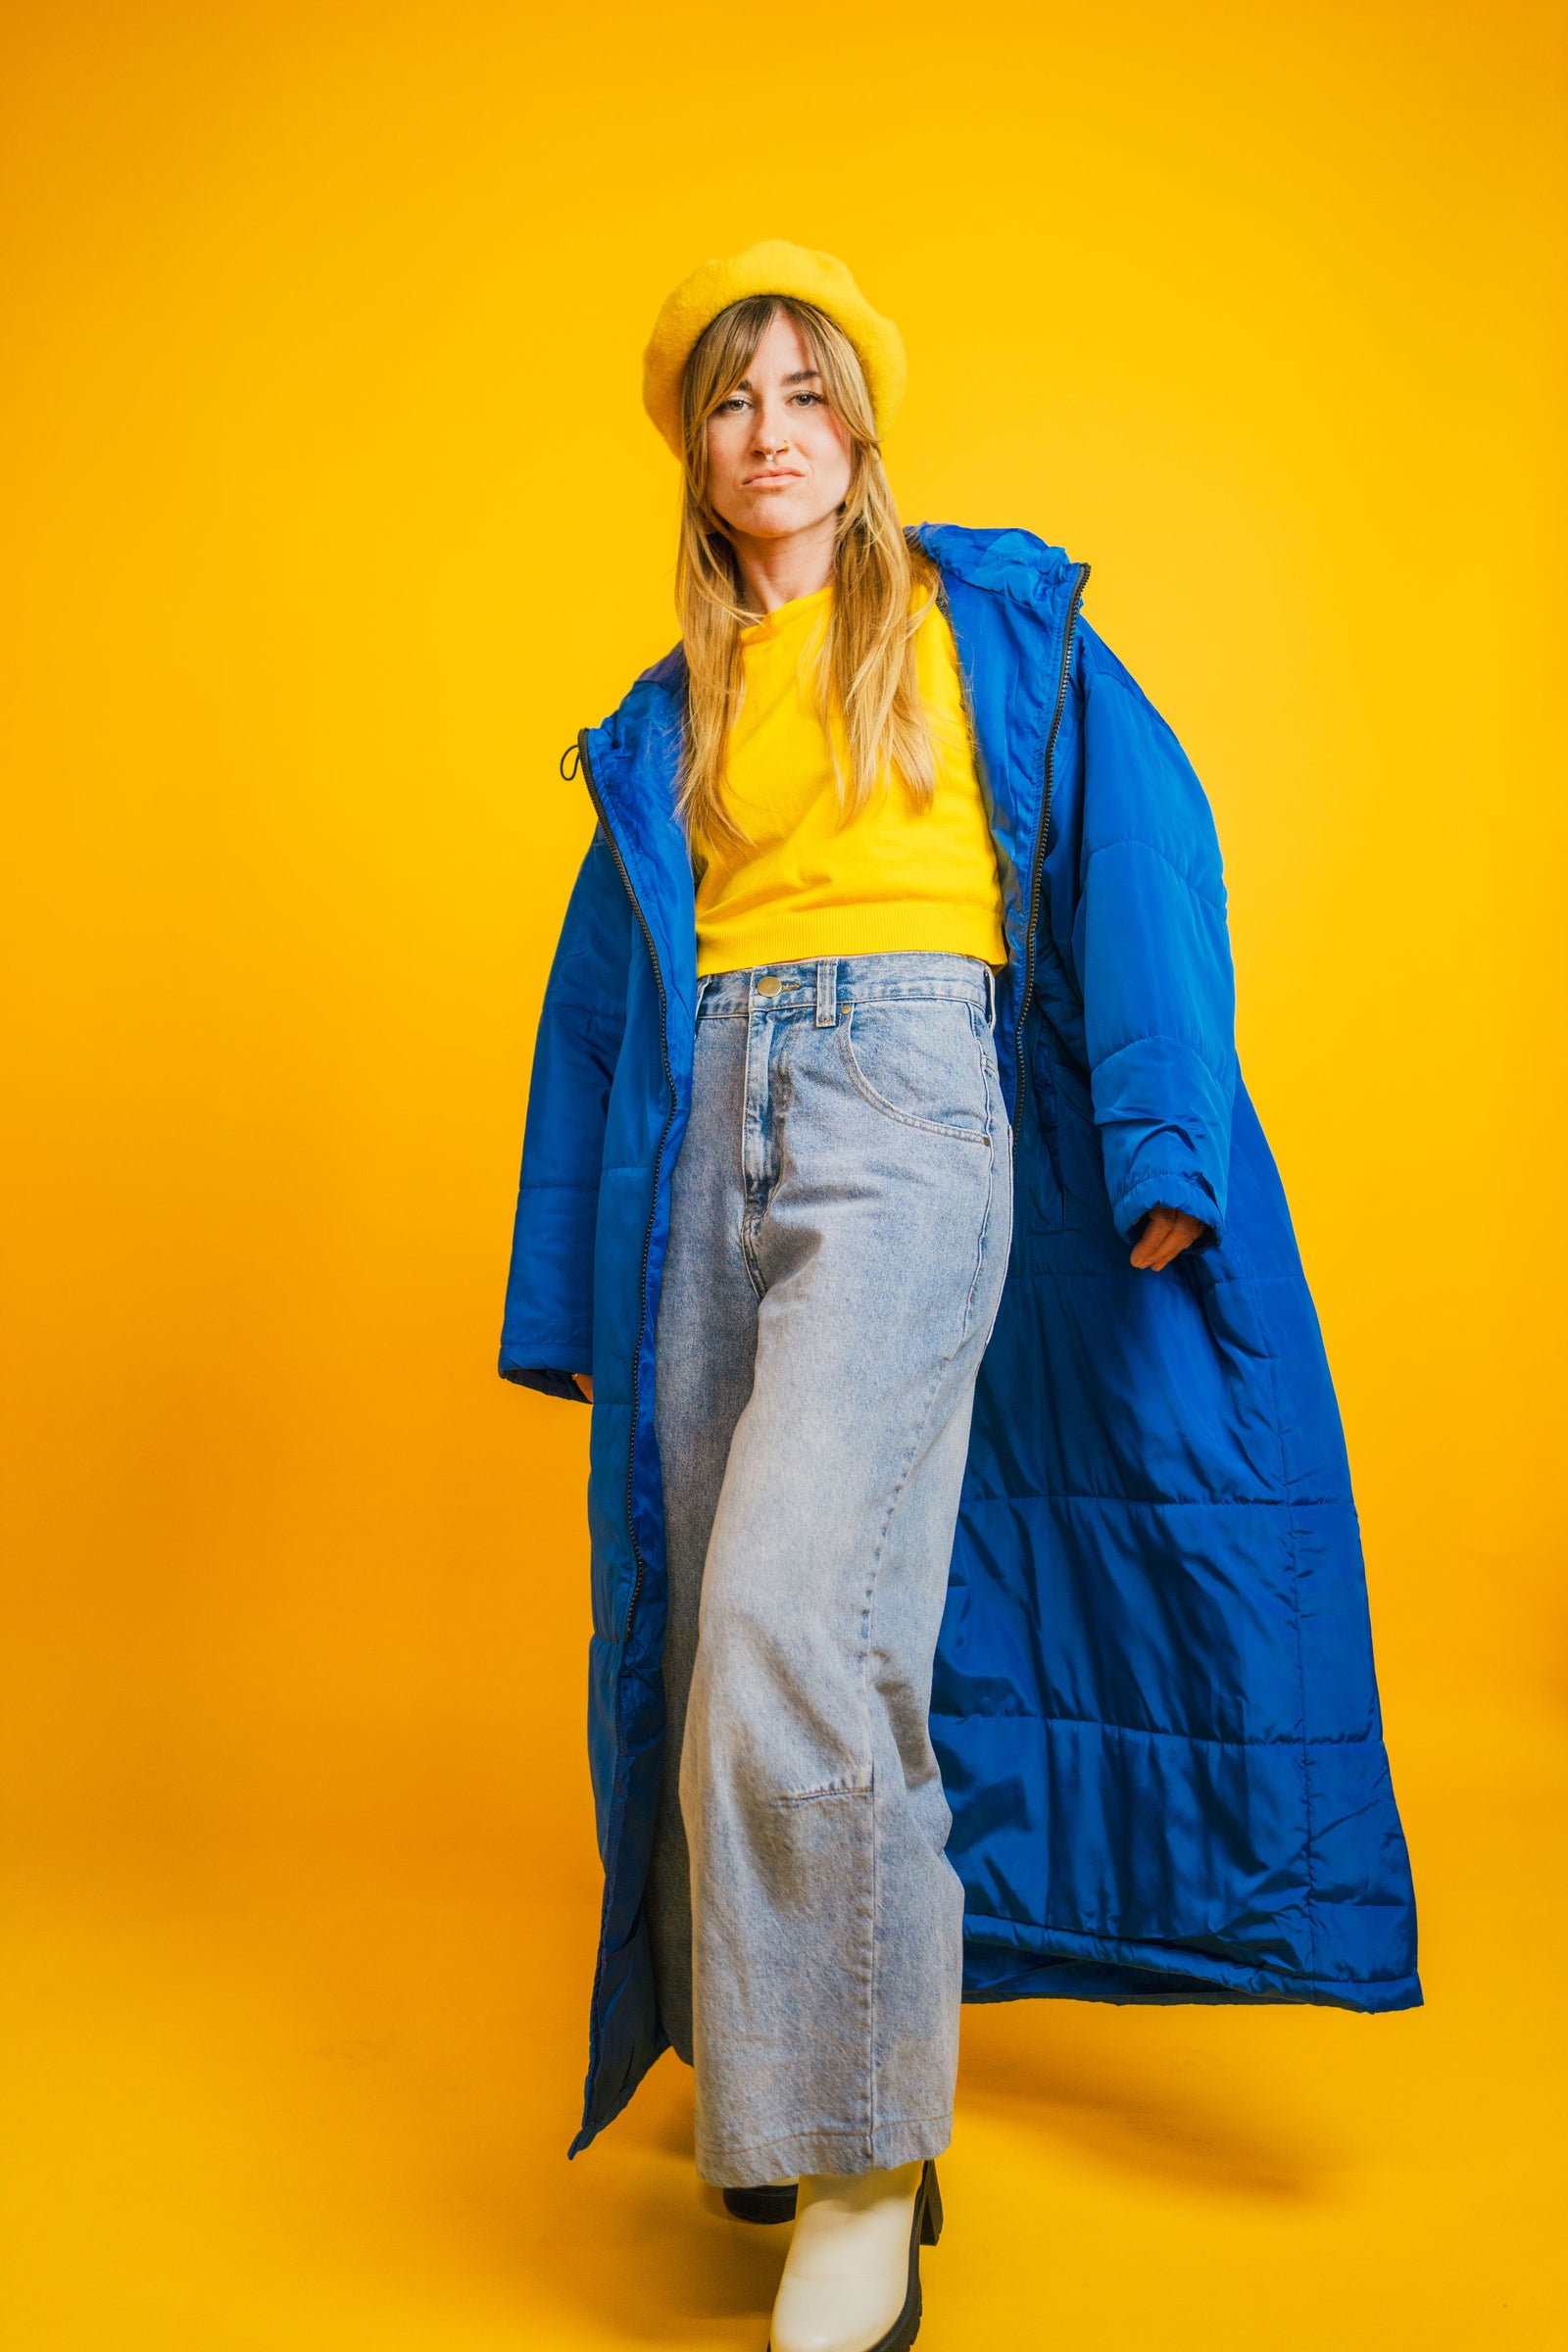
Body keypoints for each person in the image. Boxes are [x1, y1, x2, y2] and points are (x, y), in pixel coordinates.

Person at [500, 241, 1419, 2352]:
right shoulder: (664, 713)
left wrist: (1163, 1138)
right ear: (695, 454)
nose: (771, 433)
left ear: (861, 430)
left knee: (792, 1615)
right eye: (732, 402)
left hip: (906, 1105)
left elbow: (1144, 843)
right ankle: (784, 2086)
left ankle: (859, 2161)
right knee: (708, 1622)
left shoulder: (977, 622)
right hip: (709, 1130)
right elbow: (601, 1013)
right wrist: (567, 1280)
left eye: (805, 392)